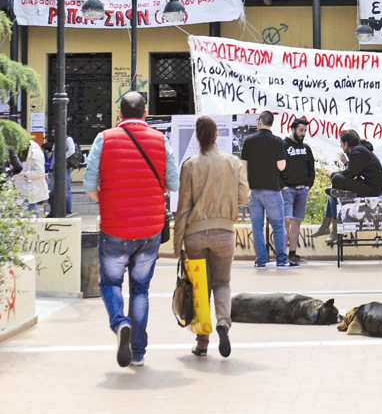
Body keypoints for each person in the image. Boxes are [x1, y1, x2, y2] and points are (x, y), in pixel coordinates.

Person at [84, 92, 179, 368]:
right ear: (145, 114)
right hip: (149, 229)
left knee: (110, 283)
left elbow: (90, 185)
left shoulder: (104, 138)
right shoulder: (161, 140)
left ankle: (120, 323)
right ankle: (138, 352)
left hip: (114, 226)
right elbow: (173, 182)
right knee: (140, 289)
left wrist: (109, 201)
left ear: (120, 115)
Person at [174, 116, 250, 358]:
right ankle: (223, 323)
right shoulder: (232, 162)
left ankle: (202, 343)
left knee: (200, 288)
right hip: (224, 233)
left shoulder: (190, 165)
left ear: (198, 137)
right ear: (216, 135)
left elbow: (183, 207)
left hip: (195, 235)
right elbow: (244, 197)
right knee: (222, 283)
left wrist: (178, 245)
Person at [240, 111, 295, 269]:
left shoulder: (249, 140)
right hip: (271, 187)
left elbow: (243, 167)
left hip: (253, 188)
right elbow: (281, 166)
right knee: (278, 224)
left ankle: (261, 260)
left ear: (260, 122)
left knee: (257, 225)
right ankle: (281, 259)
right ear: (270, 123)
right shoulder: (277, 141)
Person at [322, 129, 382, 246]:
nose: (341, 147)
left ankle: (332, 228)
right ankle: (330, 227)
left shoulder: (357, 151)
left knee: (336, 180)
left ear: (346, 144)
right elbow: (354, 171)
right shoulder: (360, 150)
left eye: (341, 144)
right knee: (332, 194)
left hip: (371, 189)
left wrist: (332, 174)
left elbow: (349, 173)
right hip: (368, 185)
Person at [281, 118, 315, 264]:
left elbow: (311, 169)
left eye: (305, 131)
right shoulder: (283, 145)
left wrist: (308, 186)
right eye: (301, 130)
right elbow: (277, 167)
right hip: (288, 190)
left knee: (296, 222)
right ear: (293, 130)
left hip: (302, 190)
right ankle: (281, 253)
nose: (303, 133)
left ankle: (292, 253)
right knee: (286, 220)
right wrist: (283, 186)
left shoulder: (306, 148)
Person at [43, 129, 77, 216]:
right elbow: (54, 157)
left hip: (64, 168)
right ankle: (53, 211)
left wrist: (61, 158)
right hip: (55, 169)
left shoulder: (68, 139)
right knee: (52, 191)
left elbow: (72, 150)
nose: (52, 134)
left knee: (66, 190)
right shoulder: (56, 143)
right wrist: (51, 168)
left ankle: (68, 211)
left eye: (54, 132)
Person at [14, 139, 48, 216]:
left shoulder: (34, 151)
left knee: (30, 211)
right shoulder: (21, 152)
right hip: (20, 188)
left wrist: (24, 174)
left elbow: (40, 172)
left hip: (28, 188)